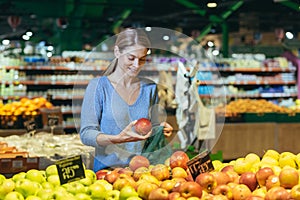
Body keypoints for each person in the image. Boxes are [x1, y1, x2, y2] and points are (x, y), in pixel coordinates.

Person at [79, 28, 173, 171]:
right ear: (117, 52)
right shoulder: (98, 87)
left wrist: (160, 129)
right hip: (107, 172)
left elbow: (150, 128)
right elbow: (86, 134)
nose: (136, 65)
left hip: (142, 172)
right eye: (131, 58)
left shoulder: (150, 88)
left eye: (142, 59)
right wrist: (117, 138)